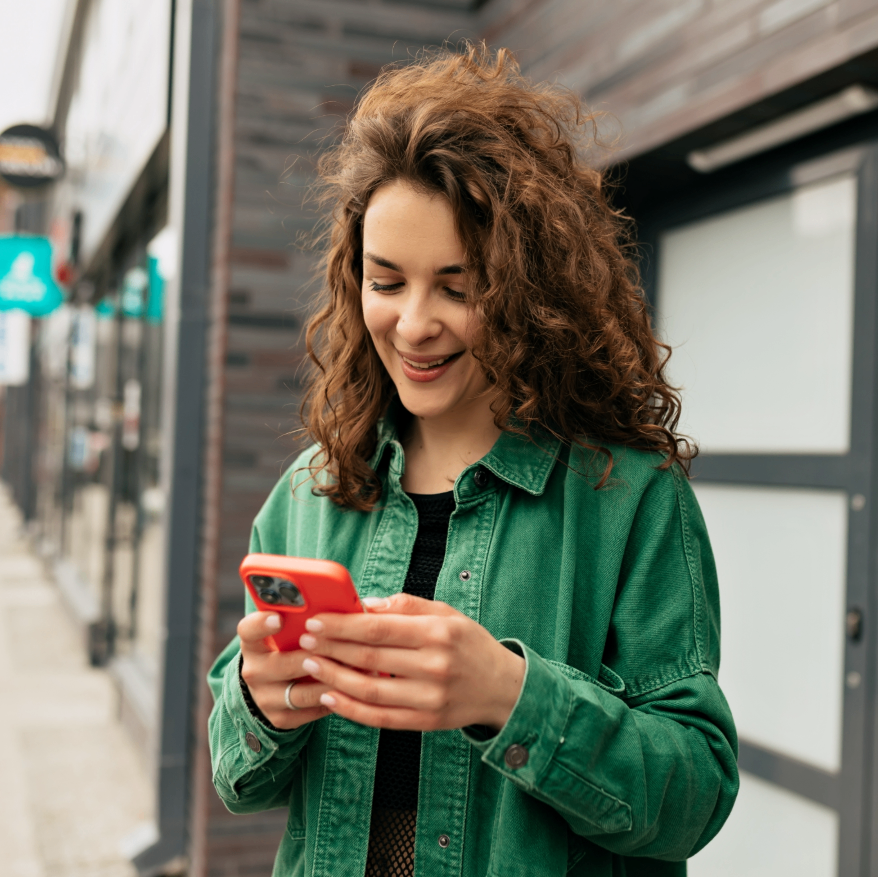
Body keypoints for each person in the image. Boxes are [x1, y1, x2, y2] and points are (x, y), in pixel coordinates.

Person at [206, 45, 738, 877]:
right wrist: (261, 704)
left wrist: (508, 694)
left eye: (458, 287)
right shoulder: (309, 492)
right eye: (387, 282)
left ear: (532, 292)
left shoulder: (629, 499)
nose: (414, 324)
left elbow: (695, 792)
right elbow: (238, 778)